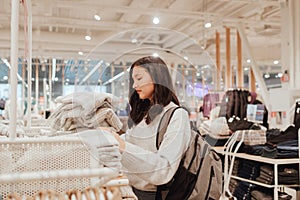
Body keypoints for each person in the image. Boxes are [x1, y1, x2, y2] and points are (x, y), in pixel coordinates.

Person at [108, 56, 191, 200]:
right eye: (133, 80)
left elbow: (164, 169)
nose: (134, 85)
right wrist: (109, 137)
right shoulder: (142, 114)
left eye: (139, 78)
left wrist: (121, 146)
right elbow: (130, 141)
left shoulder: (177, 115)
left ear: (157, 77)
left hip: (157, 195)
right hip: (132, 191)